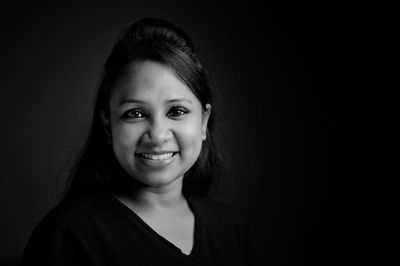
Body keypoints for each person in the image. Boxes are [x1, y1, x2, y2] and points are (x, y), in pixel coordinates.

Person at [20, 18, 253, 266]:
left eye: (176, 111)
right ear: (109, 125)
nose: (157, 134)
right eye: (135, 114)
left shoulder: (230, 229)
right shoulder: (68, 234)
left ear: (204, 121)